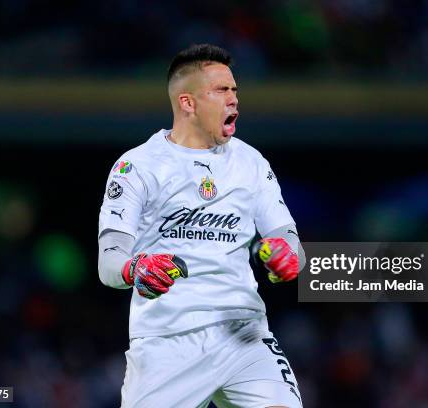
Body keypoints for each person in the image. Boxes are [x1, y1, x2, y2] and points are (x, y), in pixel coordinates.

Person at [97, 44, 305, 408]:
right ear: (188, 103)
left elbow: (288, 240)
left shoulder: (251, 162)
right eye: (221, 91)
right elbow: (108, 263)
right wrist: (135, 268)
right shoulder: (137, 167)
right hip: (167, 341)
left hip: (244, 334)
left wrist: (289, 255)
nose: (234, 100)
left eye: (235, 90)